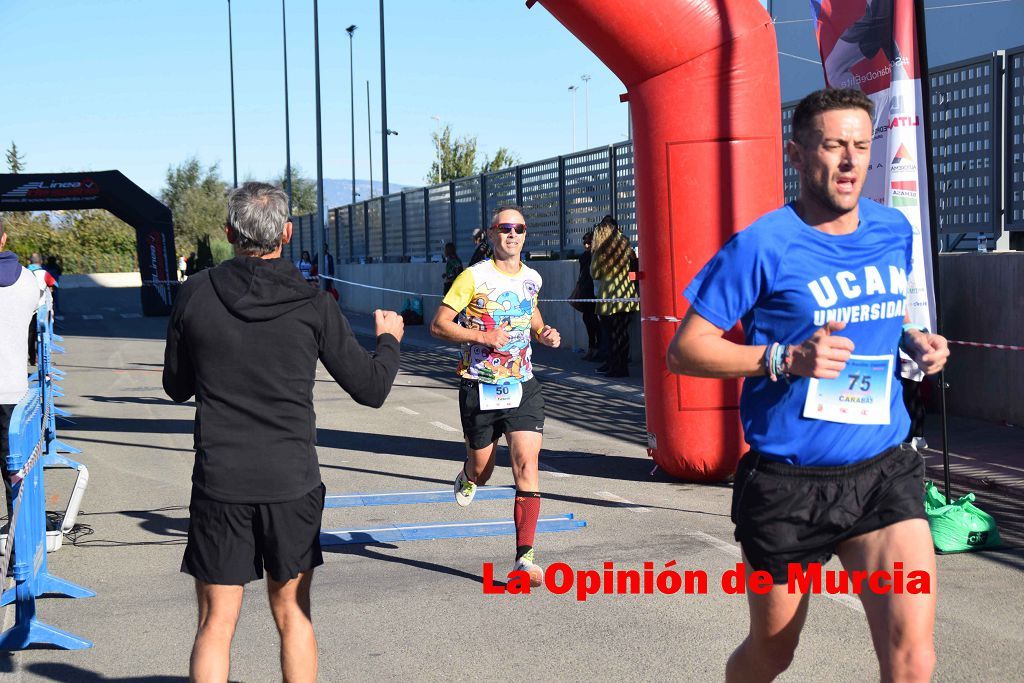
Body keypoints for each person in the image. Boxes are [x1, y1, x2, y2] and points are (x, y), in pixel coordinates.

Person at [666, 88, 949, 682]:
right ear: (797, 155)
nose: (850, 162)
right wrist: (783, 359)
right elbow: (685, 351)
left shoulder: (892, 230)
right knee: (773, 653)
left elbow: (885, 314)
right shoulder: (762, 245)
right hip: (788, 484)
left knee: (913, 659)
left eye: (860, 147)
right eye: (833, 146)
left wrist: (913, 340)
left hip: (883, 471)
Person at [163, 182, 404, 682]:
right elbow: (371, 389)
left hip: (221, 481)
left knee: (215, 623)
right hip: (291, 481)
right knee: (293, 615)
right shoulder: (314, 304)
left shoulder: (195, 293)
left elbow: (176, 386)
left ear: (230, 232)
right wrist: (388, 340)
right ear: (288, 234)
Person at [429, 206, 561, 587]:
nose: (512, 235)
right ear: (491, 234)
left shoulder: (532, 278)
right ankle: (469, 474)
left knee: (526, 463)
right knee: (483, 471)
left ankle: (525, 559)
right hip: (479, 386)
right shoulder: (473, 277)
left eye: (518, 228)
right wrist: (482, 337)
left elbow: (531, 312)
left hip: (522, 385)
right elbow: (439, 325)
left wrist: (543, 332)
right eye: (505, 228)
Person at [0, 222, 45, 531]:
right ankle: (19, 559)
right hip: (11, 391)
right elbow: (38, 317)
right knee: (14, 475)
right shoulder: (28, 281)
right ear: (3, 238)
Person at [590, 220, 639, 378]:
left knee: (610, 334)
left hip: (608, 298)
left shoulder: (600, 252)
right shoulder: (626, 248)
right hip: (628, 296)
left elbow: (595, 274)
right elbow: (635, 268)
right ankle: (622, 366)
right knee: (622, 334)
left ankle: (614, 366)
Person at [572, 230, 601, 361]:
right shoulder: (585, 256)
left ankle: (596, 348)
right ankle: (592, 348)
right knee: (588, 319)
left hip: (593, 291)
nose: (586, 245)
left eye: (589, 242)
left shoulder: (595, 256)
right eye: (584, 242)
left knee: (594, 321)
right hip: (585, 289)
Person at [26, 253, 56, 366]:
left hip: (27, 308)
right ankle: (43, 360)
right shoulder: (44, 273)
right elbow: (53, 283)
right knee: (43, 333)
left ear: (29, 261)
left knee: (29, 334)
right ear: (41, 262)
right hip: (41, 308)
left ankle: (32, 358)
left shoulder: (23, 272)